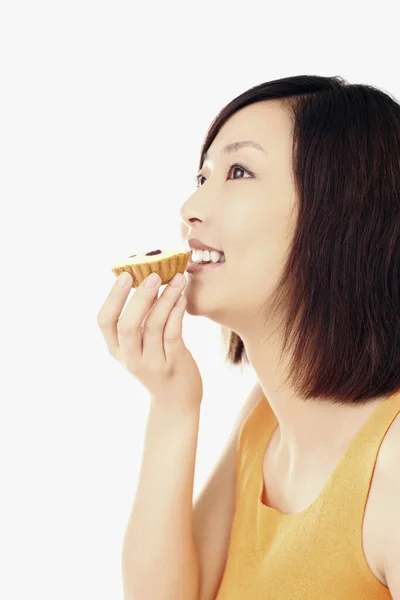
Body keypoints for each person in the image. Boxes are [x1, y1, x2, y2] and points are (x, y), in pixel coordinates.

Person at [97, 74, 400, 599]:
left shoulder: (392, 471)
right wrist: (173, 404)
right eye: (203, 175)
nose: (190, 209)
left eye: (238, 171)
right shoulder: (265, 421)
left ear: (339, 214)